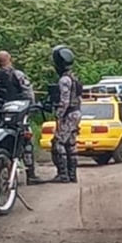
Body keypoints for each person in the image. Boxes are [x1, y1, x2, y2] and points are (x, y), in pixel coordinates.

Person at [0, 51, 43, 185]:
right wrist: (31, 108)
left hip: (0, 115)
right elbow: (29, 93)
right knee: (27, 141)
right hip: (18, 114)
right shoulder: (18, 75)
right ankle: (31, 174)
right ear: (10, 59)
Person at [50, 45, 83, 183]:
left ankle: (63, 174)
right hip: (76, 113)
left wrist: (58, 115)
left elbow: (64, 100)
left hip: (68, 114)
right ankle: (72, 174)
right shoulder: (74, 77)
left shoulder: (64, 80)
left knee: (58, 142)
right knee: (70, 144)